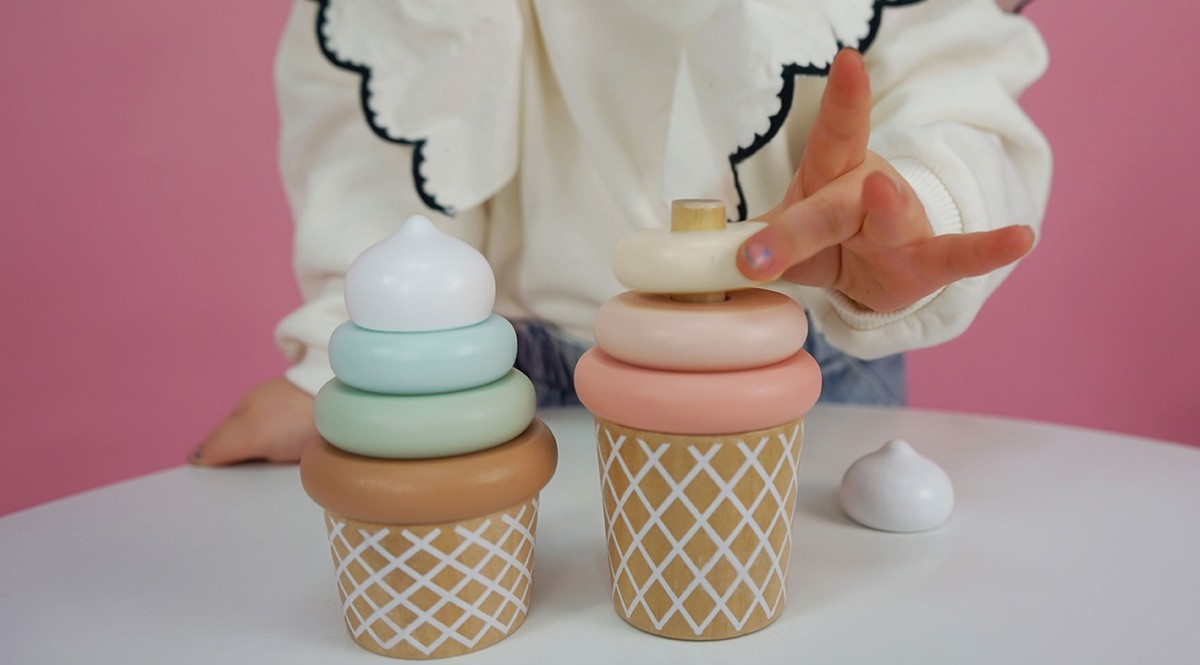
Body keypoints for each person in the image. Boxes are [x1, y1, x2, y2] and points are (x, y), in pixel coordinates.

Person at [192, 0, 1050, 466]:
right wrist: (351, 357)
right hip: (512, 372)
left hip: (807, 356)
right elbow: (395, 105)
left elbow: (951, 70)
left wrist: (916, 201)